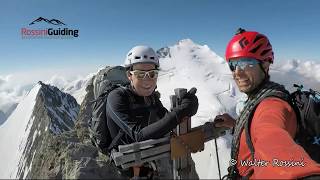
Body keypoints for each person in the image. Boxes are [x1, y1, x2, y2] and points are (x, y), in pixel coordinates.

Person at [215, 28, 320, 179]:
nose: (237, 72)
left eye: (246, 63)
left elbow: (271, 138)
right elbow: (256, 129)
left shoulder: (271, 105)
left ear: (265, 65)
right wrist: (235, 124)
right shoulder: (261, 99)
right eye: (233, 64)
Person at [106, 45, 199, 179]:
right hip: (126, 168)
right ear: (129, 75)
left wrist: (187, 109)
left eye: (152, 74)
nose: (147, 80)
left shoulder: (151, 98)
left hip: (149, 161)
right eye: (140, 74)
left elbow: (167, 121)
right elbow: (139, 135)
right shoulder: (116, 98)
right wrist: (180, 113)